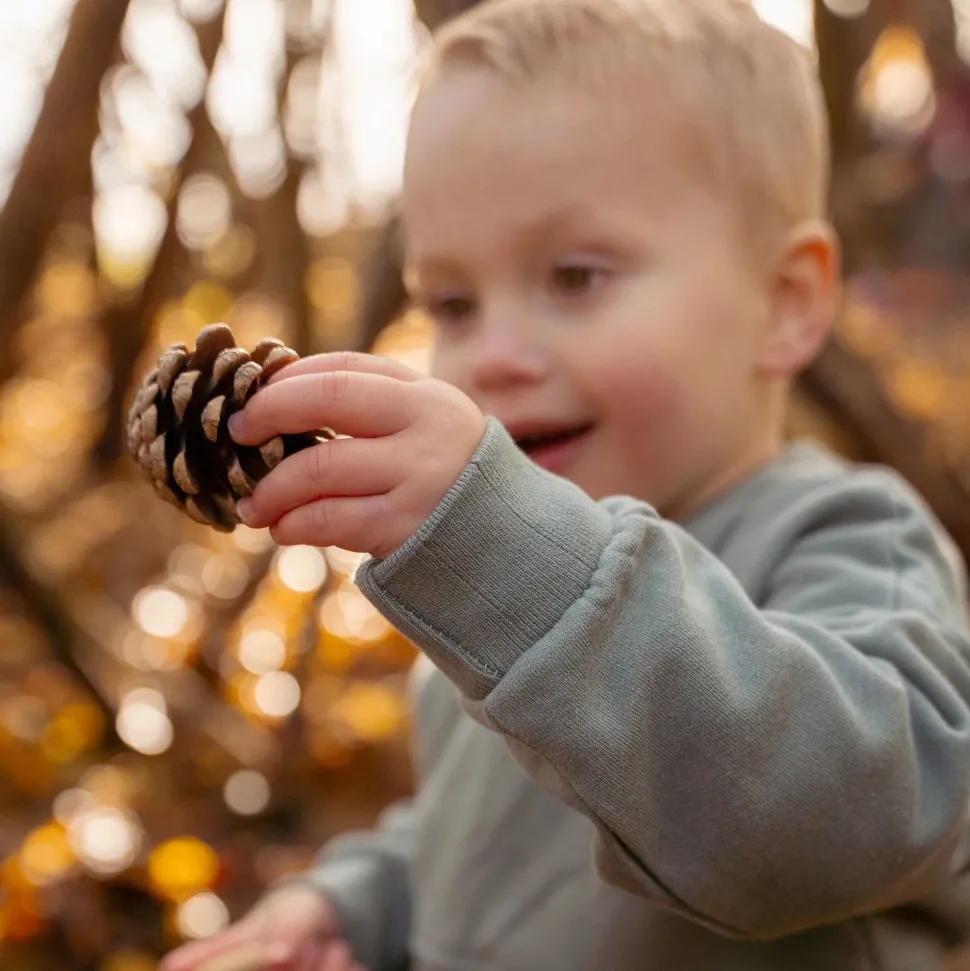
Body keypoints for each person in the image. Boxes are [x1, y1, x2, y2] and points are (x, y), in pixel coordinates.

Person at [161, 0, 970, 969]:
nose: (493, 354)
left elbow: (856, 822)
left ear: (783, 302)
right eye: (452, 303)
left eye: (576, 277)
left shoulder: (846, 538)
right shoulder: (506, 594)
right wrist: (350, 909)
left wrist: (515, 562)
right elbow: (482, 838)